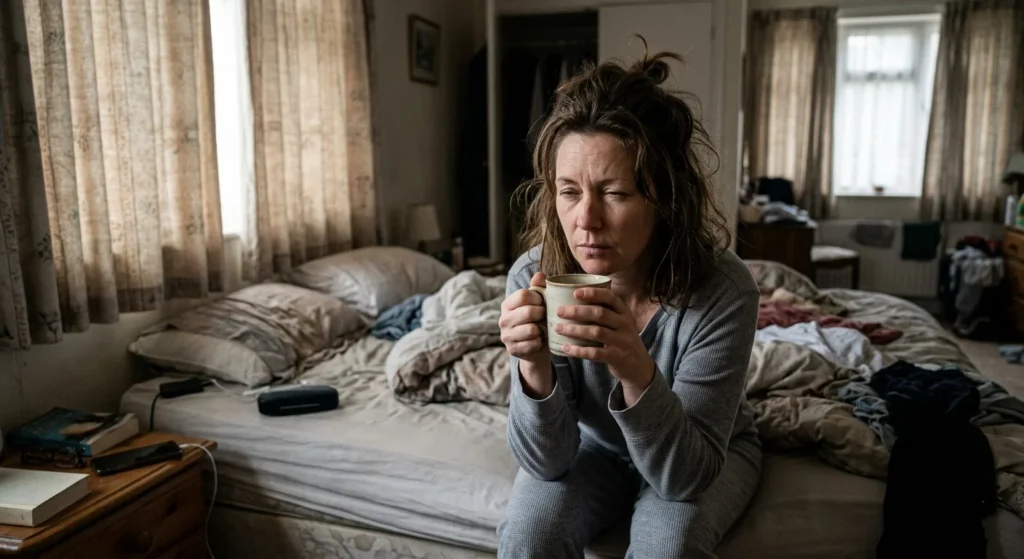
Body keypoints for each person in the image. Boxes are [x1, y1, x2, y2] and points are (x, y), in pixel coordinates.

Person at [496, 43, 762, 559]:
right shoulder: (534, 276)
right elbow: (545, 463)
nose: (586, 221)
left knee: (669, 548)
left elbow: (685, 477)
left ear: (665, 197)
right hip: (595, 446)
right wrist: (532, 369)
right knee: (528, 538)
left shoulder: (724, 291)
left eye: (615, 193)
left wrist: (636, 369)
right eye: (570, 192)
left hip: (701, 446)